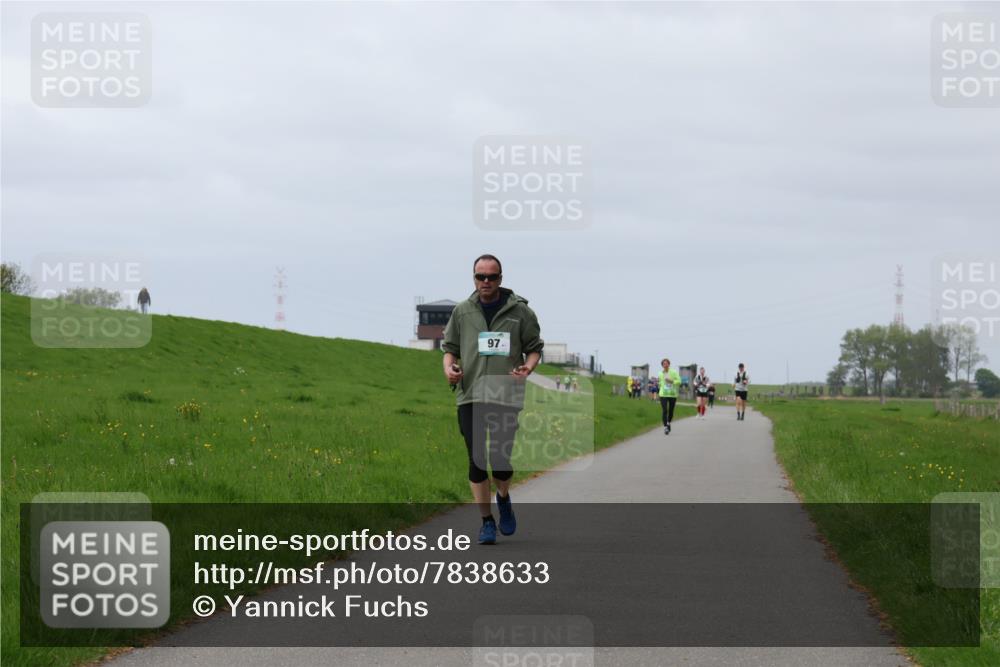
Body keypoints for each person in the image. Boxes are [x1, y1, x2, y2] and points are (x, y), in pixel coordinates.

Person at [442, 254, 544, 545]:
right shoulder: (462, 312)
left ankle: (504, 497)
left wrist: (528, 367)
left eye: (492, 276)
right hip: (470, 395)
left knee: (500, 461)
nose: (486, 282)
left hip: (505, 395)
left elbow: (534, 348)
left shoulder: (520, 312)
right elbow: (449, 349)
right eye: (480, 276)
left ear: (501, 278)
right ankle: (486, 522)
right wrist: (449, 369)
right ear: (473, 278)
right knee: (476, 460)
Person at [658, 358, 681, 434]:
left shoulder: (674, 372)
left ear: (669, 364)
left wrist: (672, 381)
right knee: (665, 410)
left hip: (672, 394)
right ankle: (665, 427)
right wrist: (661, 387)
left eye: (666, 363)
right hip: (663, 394)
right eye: (664, 363)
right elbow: (660, 383)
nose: (665, 365)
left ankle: (668, 423)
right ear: (662, 365)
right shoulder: (660, 373)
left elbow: (679, 381)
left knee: (671, 411)